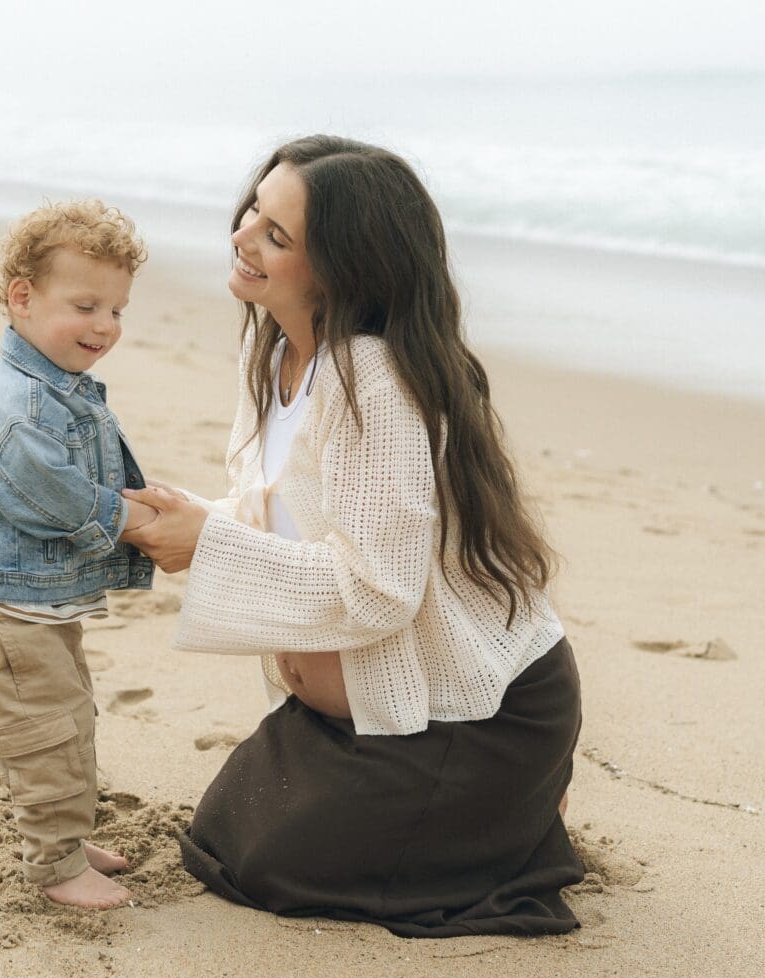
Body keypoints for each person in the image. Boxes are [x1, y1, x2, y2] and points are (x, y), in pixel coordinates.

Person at [124, 136, 585, 937]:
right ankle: (493, 825)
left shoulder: (372, 380)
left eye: (277, 236)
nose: (242, 238)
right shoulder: (273, 356)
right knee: (228, 834)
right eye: (253, 214)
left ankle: (515, 816)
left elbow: (380, 590)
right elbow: (286, 522)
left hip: (472, 716)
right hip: (362, 715)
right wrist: (184, 515)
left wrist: (207, 543)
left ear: (343, 269)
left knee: (270, 863)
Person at [0, 200, 158, 910]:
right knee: (45, 739)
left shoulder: (55, 389)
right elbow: (56, 500)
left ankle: (65, 837)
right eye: (87, 305)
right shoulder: (19, 407)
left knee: (71, 720)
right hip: (3, 614)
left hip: (34, 606)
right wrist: (135, 518)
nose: (105, 327)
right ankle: (56, 867)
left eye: (118, 310)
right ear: (22, 298)